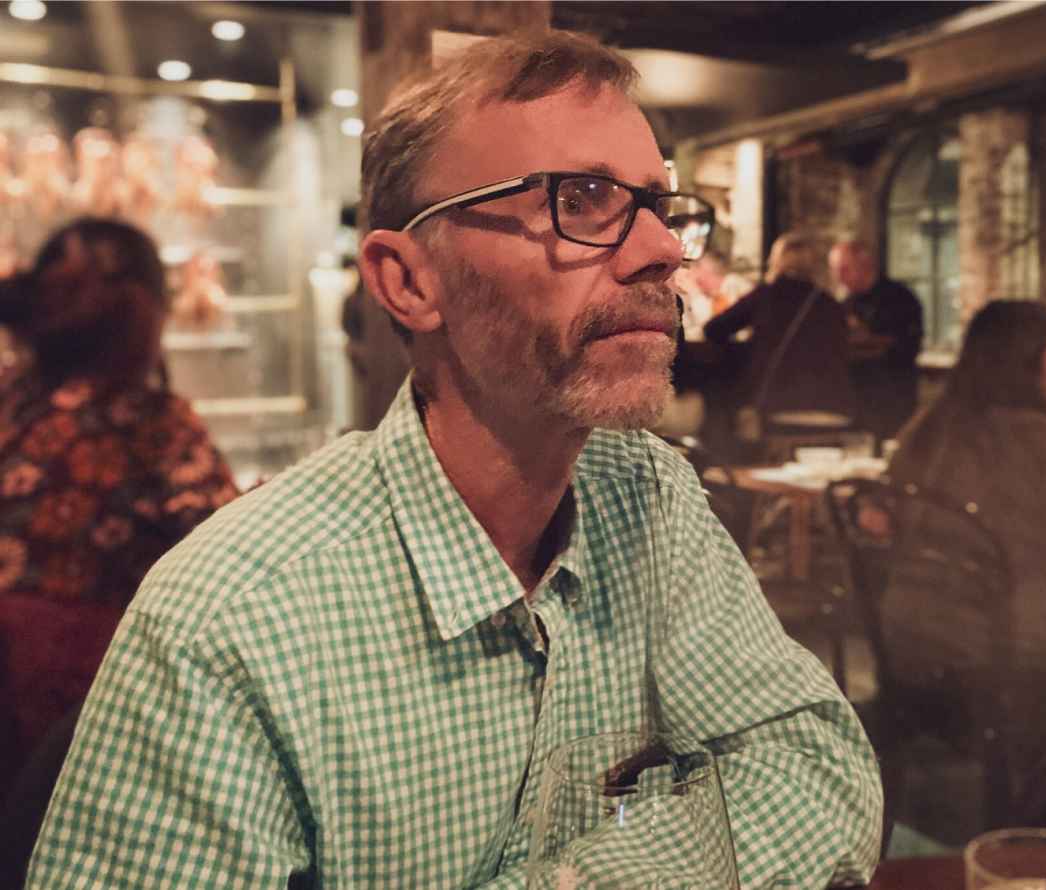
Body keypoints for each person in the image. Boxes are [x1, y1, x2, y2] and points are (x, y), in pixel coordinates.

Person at [24, 31, 881, 890]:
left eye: (661, 206)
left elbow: (818, 768)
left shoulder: (650, 497)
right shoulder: (227, 623)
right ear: (408, 282)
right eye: (580, 199)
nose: (659, 249)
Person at [0, 218, 238, 794]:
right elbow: (233, 568)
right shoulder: (155, 426)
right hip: (80, 725)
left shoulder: (10, 402)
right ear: (144, 317)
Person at [885, 299, 1046, 735]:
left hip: (909, 641)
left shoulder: (929, 426)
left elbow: (878, 520)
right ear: (1024, 365)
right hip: (1010, 656)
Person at [704, 231, 856, 432]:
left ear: (777, 261)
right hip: (834, 409)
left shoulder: (766, 295)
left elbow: (713, 329)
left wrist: (754, 345)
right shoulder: (831, 304)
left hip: (780, 407)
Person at [829, 238, 923, 441]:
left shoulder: (900, 298)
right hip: (855, 400)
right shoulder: (845, 303)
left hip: (892, 399)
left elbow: (907, 345)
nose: (839, 277)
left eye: (845, 269)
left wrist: (866, 339)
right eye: (836, 270)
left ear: (865, 265)